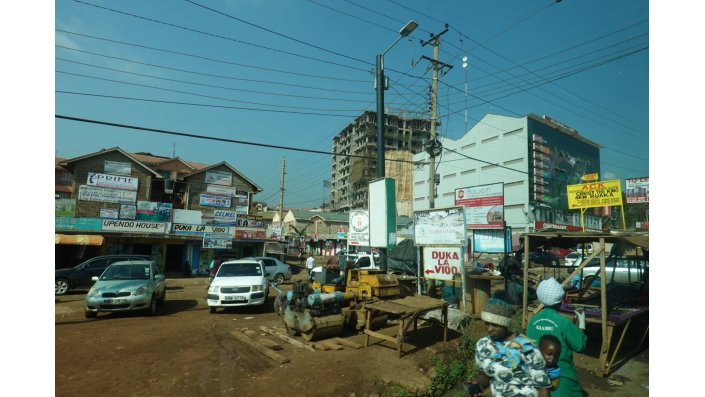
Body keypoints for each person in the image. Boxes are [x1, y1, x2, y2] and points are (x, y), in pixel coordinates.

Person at [467, 294, 551, 397]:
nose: (489, 329)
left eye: (495, 324)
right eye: (487, 323)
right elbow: (483, 374)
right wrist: (478, 385)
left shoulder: (527, 348)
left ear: (505, 323)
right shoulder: (483, 345)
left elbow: (543, 387)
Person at [527, 278, 587, 397]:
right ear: (560, 301)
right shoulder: (563, 323)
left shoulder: (532, 321)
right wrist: (581, 323)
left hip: (536, 380)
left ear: (541, 300)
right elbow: (580, 345)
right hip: (563, 380)